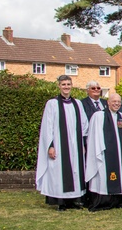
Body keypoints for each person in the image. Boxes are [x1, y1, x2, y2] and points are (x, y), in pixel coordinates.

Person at [37, 75, 89, 211]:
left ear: (72, 86)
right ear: (59, 86)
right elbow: (47, 126)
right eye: (64, 84)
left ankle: (73, 200)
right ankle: (61, 202)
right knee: (59, 171)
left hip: (75, 145)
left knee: (76, 171)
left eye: (68, 84)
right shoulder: (52, 104)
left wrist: (83, 143)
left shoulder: (78, 103)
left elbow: (84, 124)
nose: (66, 87)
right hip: (60, 145)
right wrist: (50, 146)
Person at [83, 91, 122, 211]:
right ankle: (102, 202)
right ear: (108, 103)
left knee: (120, 175)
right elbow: (95, 136)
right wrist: (100, 150)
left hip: (119, 153)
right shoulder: (99, 116)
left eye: (119, 102)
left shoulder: (121, 116)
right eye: (114, 101)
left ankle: (117, 201)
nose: (116, 104)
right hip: (105, 153)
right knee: (103, 176)